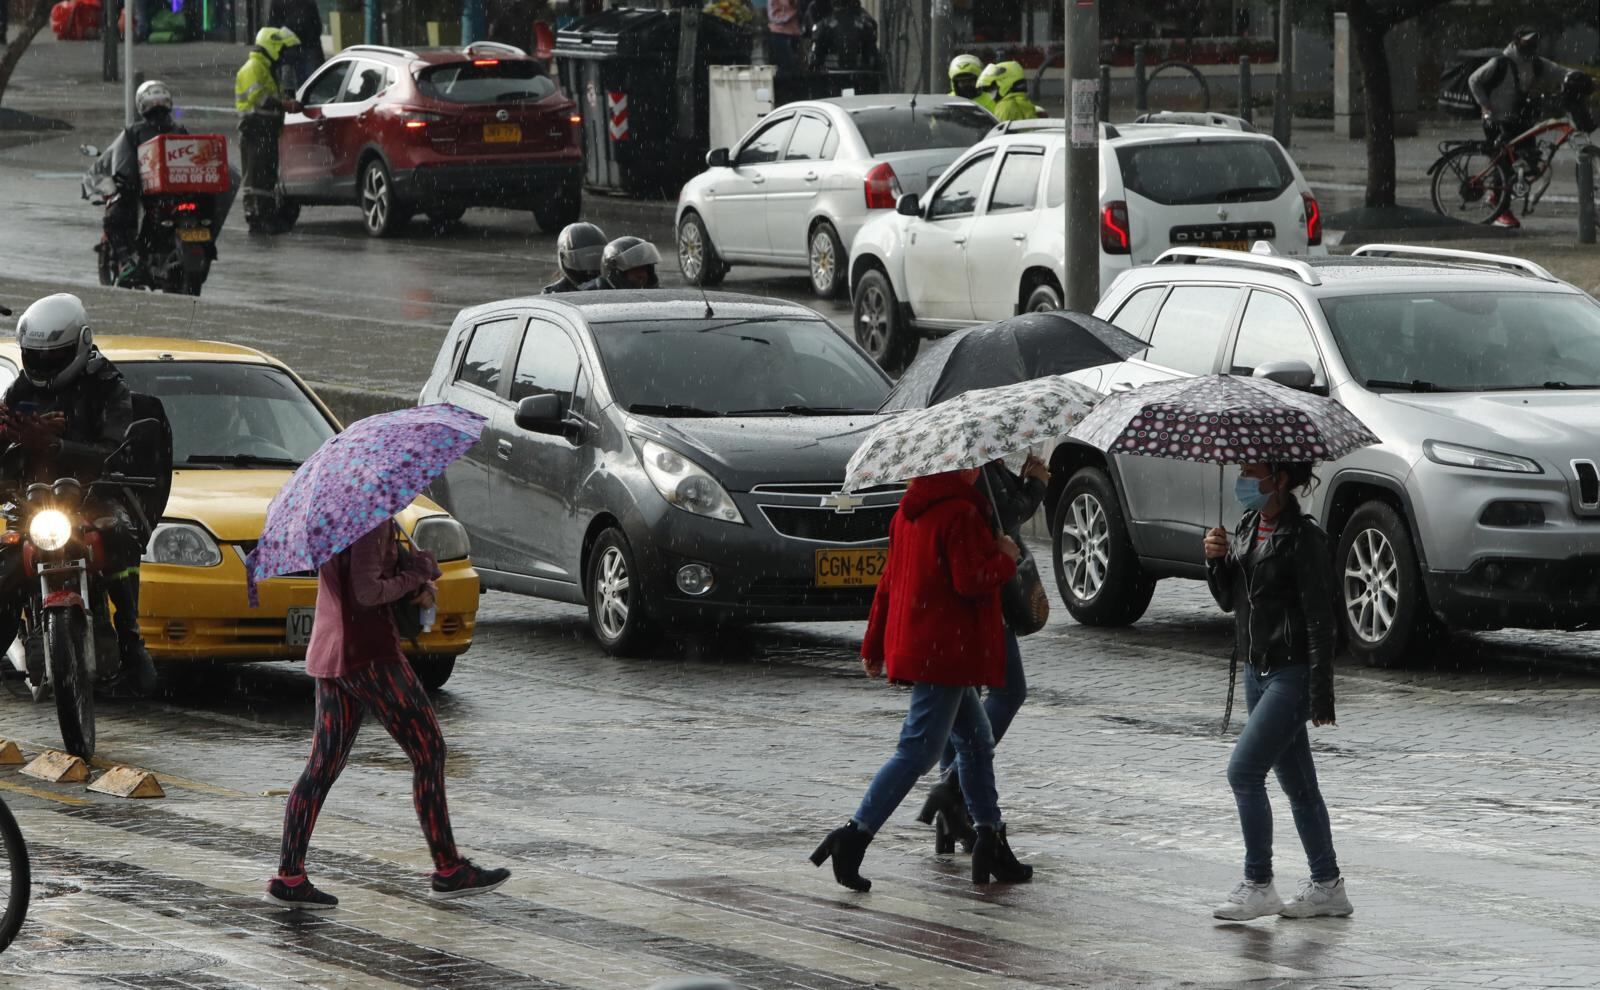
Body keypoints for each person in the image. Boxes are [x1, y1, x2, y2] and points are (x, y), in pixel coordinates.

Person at [268, 518, 511, 910]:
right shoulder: (368, 521)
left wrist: (413, 579)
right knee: (429, 752)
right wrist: (414, 573)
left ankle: (289, 875)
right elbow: (366, 592)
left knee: (321, 768)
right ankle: (448, 868)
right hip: (370, 657)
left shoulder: (337, 519)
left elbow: (362, 578)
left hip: (332, 655)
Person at [810, 468, 1033, 891]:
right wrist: (1004, 556)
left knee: (975, 738)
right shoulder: (961, 514)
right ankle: (854, 835)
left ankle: (990, 836)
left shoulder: (908, 511)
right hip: (949, 650)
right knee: (919, 749)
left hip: (931, 647)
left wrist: (873, 643)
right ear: (960, 467)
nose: (978, 468)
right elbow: (971, 581)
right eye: (972, 463)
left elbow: (889, 582)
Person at [1203, 462, 1352, 922]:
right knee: (1298, 784)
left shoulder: (1305, 539)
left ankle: (1258, 882)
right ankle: (1328, 885)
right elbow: (1232, 600)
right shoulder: (1249, 526)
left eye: (1255, 471)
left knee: (1243, 772)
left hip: (1291, 673)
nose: (1245, 479)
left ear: (1281, 480)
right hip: (1256, 668)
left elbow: (1320, 622)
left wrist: (1320, 693)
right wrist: (1215, 560)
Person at [0, 294, 160, 695]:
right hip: (36, 498)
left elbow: (114, 446)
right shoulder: (20, 389)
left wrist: (59, 447)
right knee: (7, 553)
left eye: (54, 356)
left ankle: (130, 634)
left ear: (81, 343)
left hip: (93, 492)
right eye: (37, 356)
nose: (44, 365)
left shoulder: (107, 385)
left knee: (119, 534)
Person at [915, 454, 1048, 852]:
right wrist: (1035, 487)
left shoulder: (981, 458)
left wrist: (1021, 479)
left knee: (963, 708)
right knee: (1007, 692)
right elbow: (1001, 515)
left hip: (974, 595)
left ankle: (955, 816)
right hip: (985, 593)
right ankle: (952, 791)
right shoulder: (970, 460)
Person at [1468, 27, 1570, 228]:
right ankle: (1498, 205)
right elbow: (1474, 80)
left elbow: (1560, 72)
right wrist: (1485, 105)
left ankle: (1497, 199)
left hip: (1520, 120)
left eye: (1534, 41)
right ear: (1516, 41)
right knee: (1504, 163)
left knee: (1528, 162)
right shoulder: (1499, 63)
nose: (1532, 45)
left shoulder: (1536, 63)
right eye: (1527, 41)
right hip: (1497, 120)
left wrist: (1581, 78)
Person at [100, 80, 187, 286]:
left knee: (113, 219)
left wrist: (125, 182)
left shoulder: (134, 132)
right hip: (180, 192)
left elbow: (123, 165)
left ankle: (127, 261)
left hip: (149, 194)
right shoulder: (180, 131)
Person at [235, 27, 302, 232]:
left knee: (266, 177)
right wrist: (284, 105)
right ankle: (258, 217)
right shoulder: (253, 68)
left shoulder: (267, 69)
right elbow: (260, 98)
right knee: (257, 177)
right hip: (254, 129)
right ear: (272, 48)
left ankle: (265, 216)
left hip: (265, 130)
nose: (283, 56)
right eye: (282, 51)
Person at [806, 0, 881, 95]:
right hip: (859, 79)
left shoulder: (824, 25)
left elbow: (814, 59)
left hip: (832, 80)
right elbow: (872, 56)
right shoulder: (865, 24)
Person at [267, 0, 325, 90]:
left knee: (299, 83)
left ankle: (298, 99)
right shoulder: (278, 3)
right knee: (301, 83)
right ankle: (297, 99)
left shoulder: (307, 3)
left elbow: (317, 25)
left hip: (299, 49)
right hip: (292, 50)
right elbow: (272, 27)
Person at [543, 222, 607, 293]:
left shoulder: (613, 284)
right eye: (584, 261)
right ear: (563, 258)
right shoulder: (554, 294)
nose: (590, 272)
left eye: (595, 260)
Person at [581, 236, 662, 290]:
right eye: (635, 269)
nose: (643, 275)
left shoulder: (652, 300)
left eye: (645, 269)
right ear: (617, 273)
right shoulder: (589, 297)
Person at [766, 0, 804, 80]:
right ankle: (784, 89)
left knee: (796, 69)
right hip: (780, 33)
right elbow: (773, 16)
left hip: (794, 34)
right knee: (786, 67)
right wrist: (792, 12)